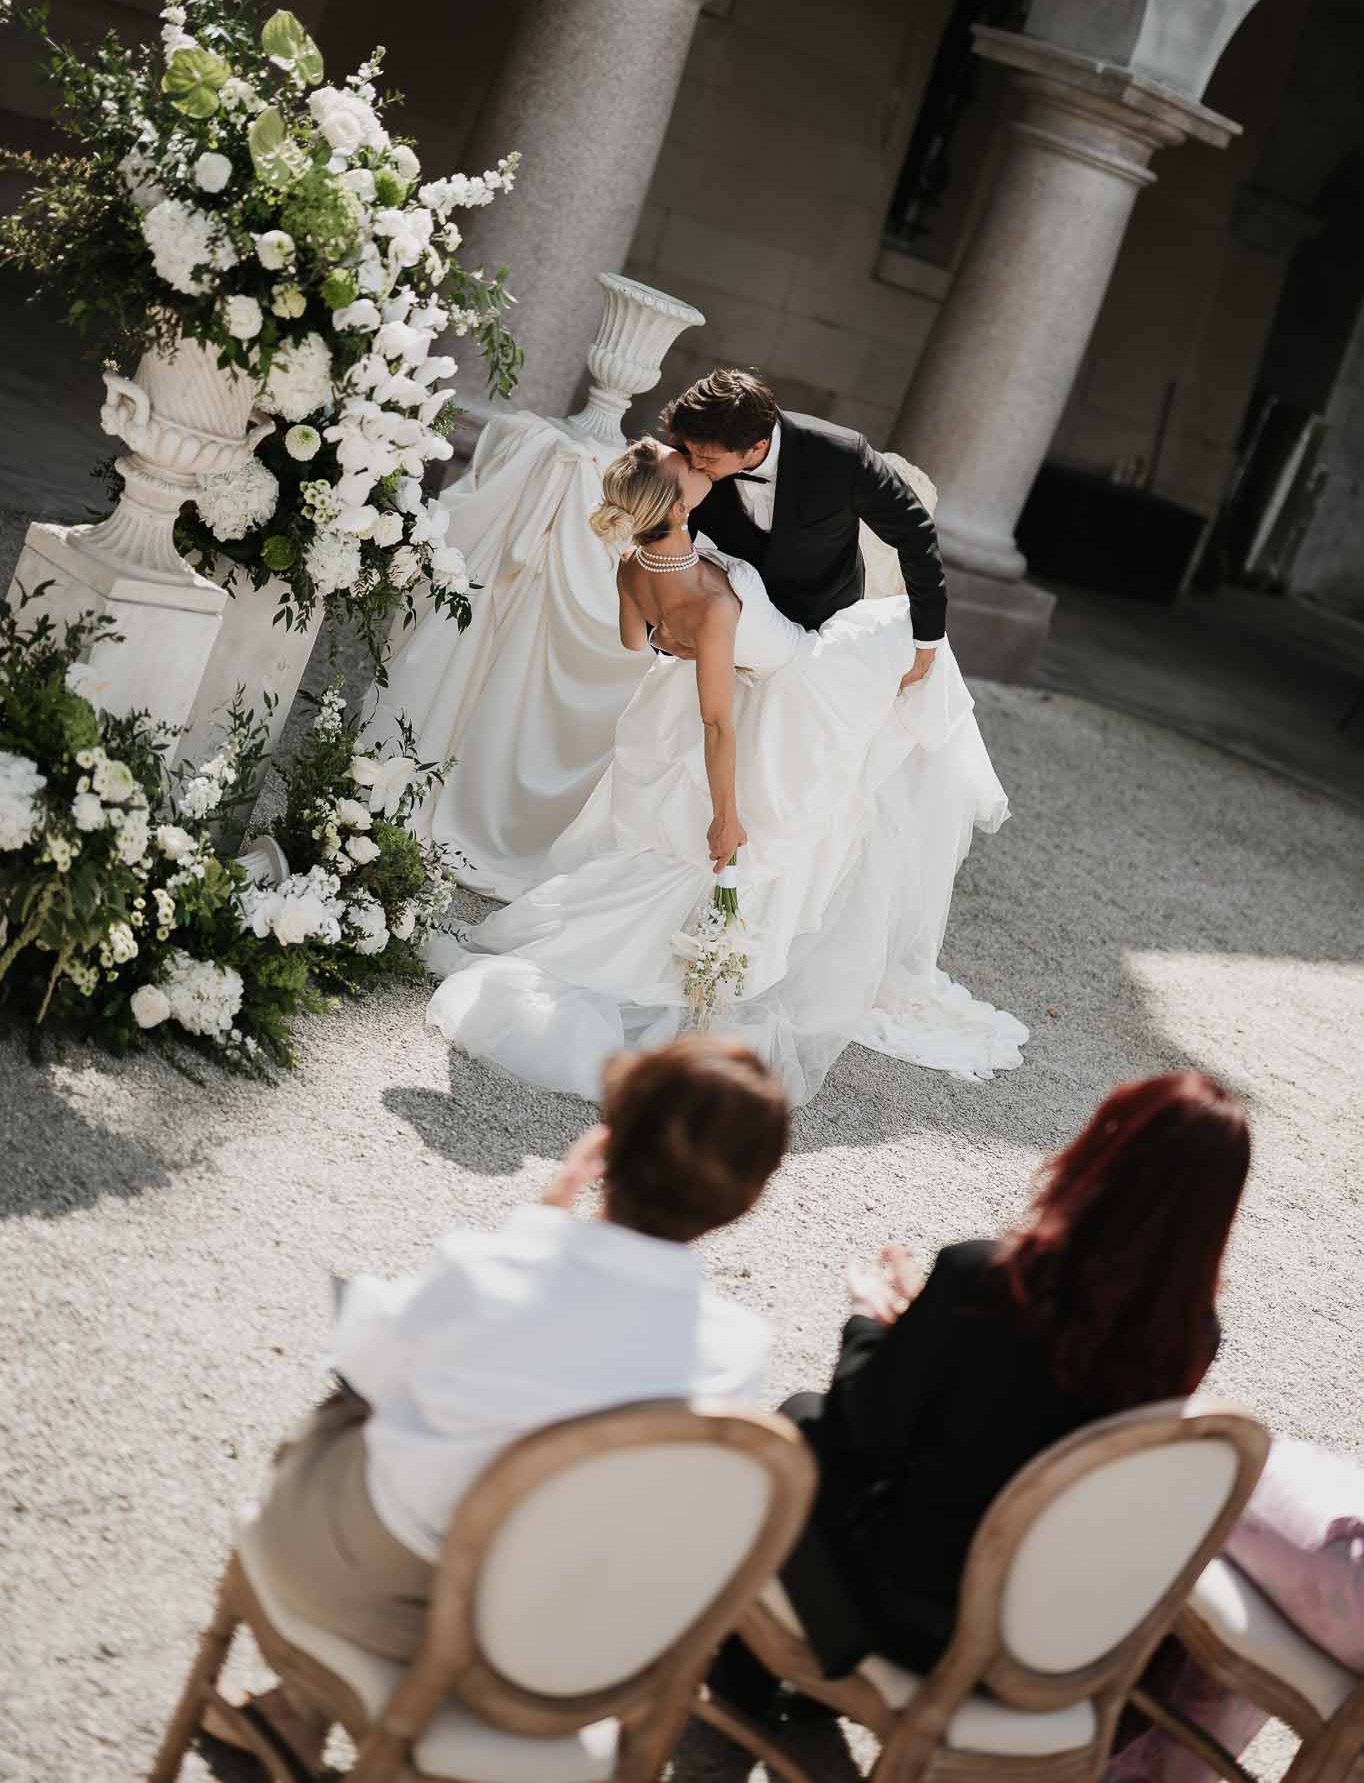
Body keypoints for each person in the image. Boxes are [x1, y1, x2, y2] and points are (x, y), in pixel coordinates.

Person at [203, 1036, 789, 1770]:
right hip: (554, 1643)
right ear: (748, 1198)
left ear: (603, 1145)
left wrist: (537, 1233)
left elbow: (363, 1370)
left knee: (363, 1397)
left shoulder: (494, 1272)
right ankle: (298, 1710)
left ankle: (302, 1701)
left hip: (380, 1601)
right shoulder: (738, 1350)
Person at [426, 438, 1025, 1104]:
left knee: (909, 655)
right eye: (689, 469)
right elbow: (717, 725)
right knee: (916, 643)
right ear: (679, 505)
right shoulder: (711, 602)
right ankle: (721, 957)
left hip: (743, 675)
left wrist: (666, 636)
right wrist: (727, 814)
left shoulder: (633, 564)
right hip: (790, 684)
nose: (701, 466)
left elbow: (634, 641)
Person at [711, 1071, 1252, 1720]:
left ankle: (749, 1679)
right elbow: (1032, 1398)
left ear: (1103, 1154)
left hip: (912, 1620)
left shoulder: (988, 1277)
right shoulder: (1190, 1336)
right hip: (1039, 1637)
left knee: (802, 1423)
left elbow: (867, 1427)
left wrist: (872, 1324)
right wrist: (927, 1323)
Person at [669, 367, 944, 686]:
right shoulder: (694, 451)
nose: (694, 465)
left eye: (706, 459)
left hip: (823, 631)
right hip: (731, 627)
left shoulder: (841, 456)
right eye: (690, 452)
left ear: (757, 446)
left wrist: (927, 640)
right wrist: (661, 635)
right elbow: (668, 538)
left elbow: (916, 533)